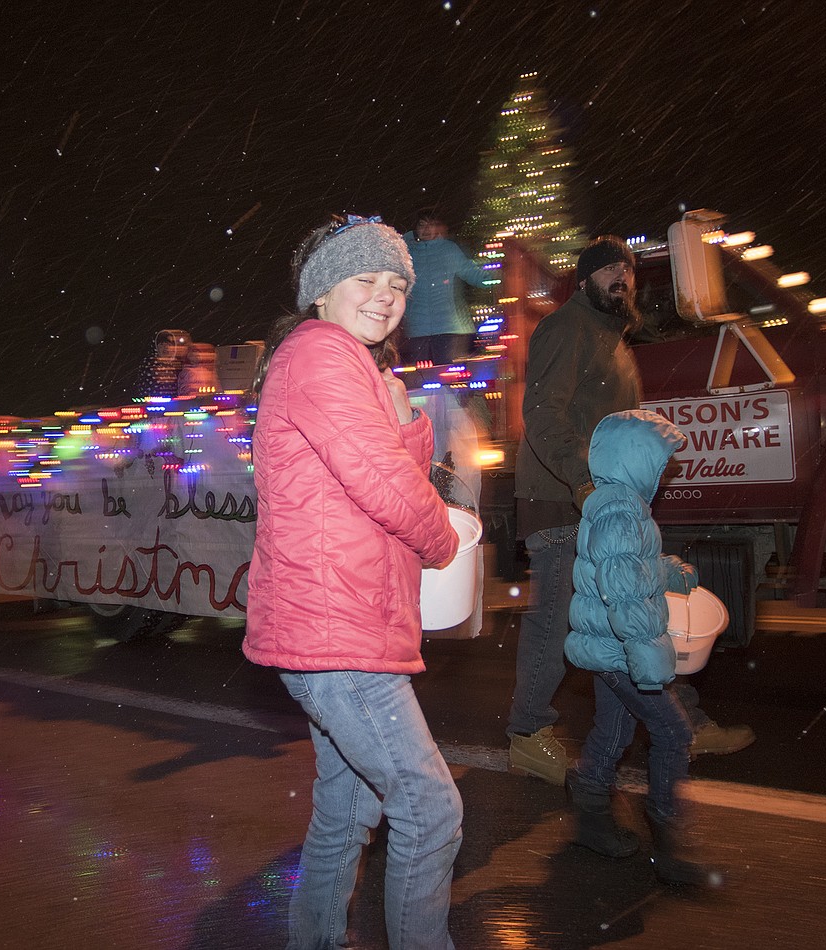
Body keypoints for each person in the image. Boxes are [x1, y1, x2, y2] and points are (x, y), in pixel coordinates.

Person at [242, 214, 463, 950]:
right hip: (339, 631)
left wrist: (404, 422)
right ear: (321, 291)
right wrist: (446, 542)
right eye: (365, 279)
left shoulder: (347, 364)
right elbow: (387, 490)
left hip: (337, 625)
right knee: (430, 812)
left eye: (397, 283)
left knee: (348, 808)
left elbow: (376, 472)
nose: (384, 295)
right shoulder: (323, 355)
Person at [507, 235, 754, 785]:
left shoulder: (613, 336)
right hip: (562, 497)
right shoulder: (567, 329)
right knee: (555, 618)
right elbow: (544, 416)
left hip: (604, 495)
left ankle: (683, 719)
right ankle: (528, 734)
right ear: (585, 277)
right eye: (609, 269)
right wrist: (585, 484)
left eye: (628, 269)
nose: (622, 276)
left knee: (633, 604)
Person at [564, 408, 716, 886]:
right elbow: (624, 593)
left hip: (609, 648)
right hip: (623, 650)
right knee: (674, 734)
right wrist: (648, 660)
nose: (666, 471)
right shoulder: (622, 509)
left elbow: (623, 568)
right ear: (636, 460)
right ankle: (667, 842)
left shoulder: (618, 503)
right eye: (661, 460)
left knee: (612, 732)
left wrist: (666, 569)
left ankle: (589, 814)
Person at [400, 212, 489, 365]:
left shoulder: (448, 250)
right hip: (416, 329)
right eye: (422, 225)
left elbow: (472, 274)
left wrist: (500, 278)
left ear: (438, 227)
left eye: (431, 224)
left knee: (449, 376)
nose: (426, 229)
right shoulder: (407, 254)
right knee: (419, 379)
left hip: (449, 329)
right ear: (415, 228)